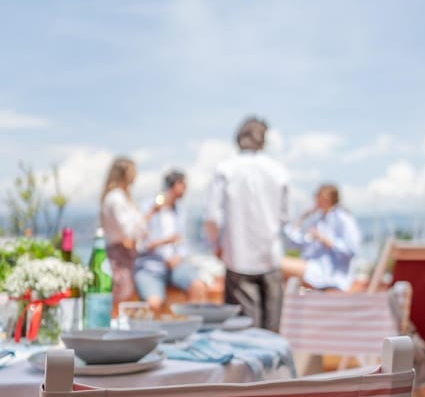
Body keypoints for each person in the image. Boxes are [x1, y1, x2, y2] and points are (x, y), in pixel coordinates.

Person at [204, 116, 289, 331]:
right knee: (272, 332)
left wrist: (217, 245)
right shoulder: (278, 170)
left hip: (237, 258)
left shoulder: (225, 169)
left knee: (244, 334)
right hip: (270, 257)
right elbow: (285, 216)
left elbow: (212, 217)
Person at [133, 169, 206, 314]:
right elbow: (138, 243)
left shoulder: (180, 211)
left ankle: (193, 331)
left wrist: (179, 257)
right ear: (176, 184)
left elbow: (184, 242)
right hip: (150, 268)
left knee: (198, 287)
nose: (186, 189)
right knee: (154, 303)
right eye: (184, 185)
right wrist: (164, 240)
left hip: (175, 267)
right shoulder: (147, 207)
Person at [100, 156, 159, 306]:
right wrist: (150, 213)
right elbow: (129, 231)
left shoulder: (120, 197)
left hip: (125, 255)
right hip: (119, 255)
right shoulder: (116, 198)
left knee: (123, 298)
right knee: (119, 299)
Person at [281, 183, 361, 291]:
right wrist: (301, 218)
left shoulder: (343, 219)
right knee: (275, 272)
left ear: (327, 199)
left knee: (277, 265)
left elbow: (351, 250)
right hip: (311, 267)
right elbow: (292, 245)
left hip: (327, 273)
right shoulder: (316, 220)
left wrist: (324, 240)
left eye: (318, 197)